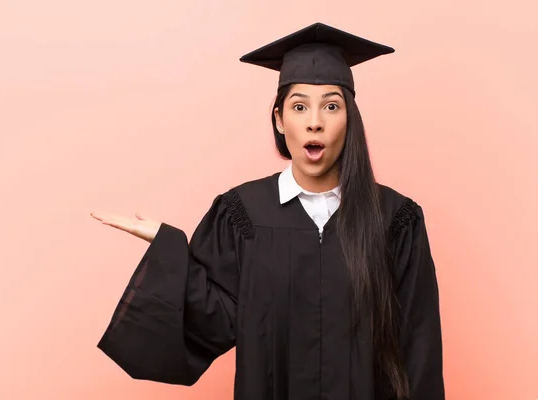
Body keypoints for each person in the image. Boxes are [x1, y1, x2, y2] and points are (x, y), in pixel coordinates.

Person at [90, 22, 445, 400]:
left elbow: (419, 348)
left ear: (349, 120)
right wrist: (168, 245)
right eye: (299, 106)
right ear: (279, 119)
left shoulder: (395, 220)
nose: (314, 121)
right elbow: (214, 320)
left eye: (331, 106)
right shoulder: (242, 216)